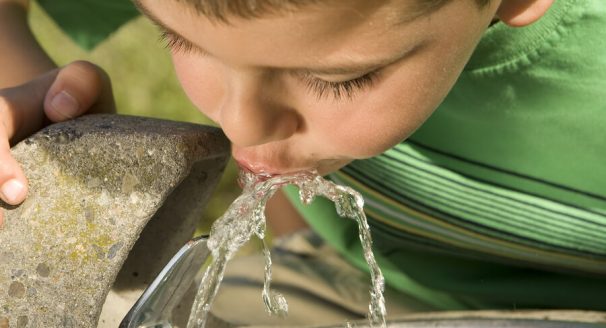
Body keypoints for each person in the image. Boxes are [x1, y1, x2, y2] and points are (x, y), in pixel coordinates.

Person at [1, 0, 605, 325]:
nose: (241, 125)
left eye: (335, 79)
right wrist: (46, 111)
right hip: (360, 284)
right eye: (179, 39)